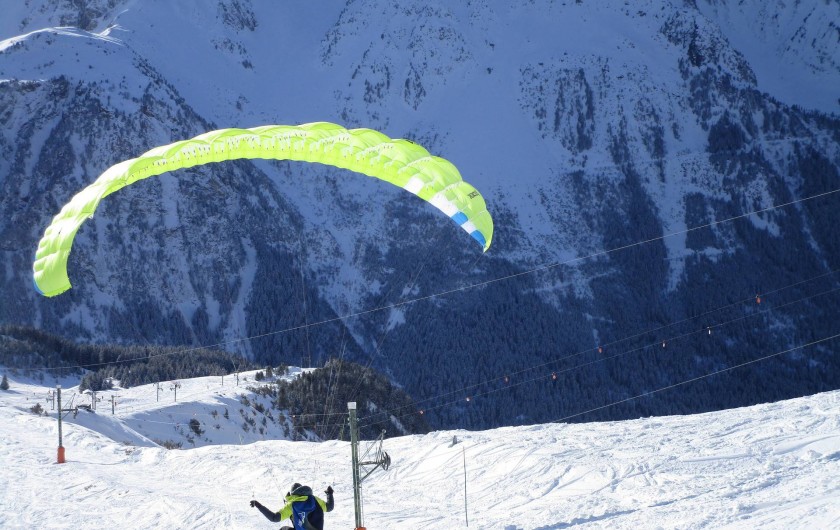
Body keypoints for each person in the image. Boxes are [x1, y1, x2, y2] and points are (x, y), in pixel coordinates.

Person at [251, 483, 334, 530]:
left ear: (292, 493)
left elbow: (274, 518)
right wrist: (329, 494)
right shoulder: (315, 499)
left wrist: (258, 505)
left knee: (284, 529)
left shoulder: (291, 505)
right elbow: (329, 507)